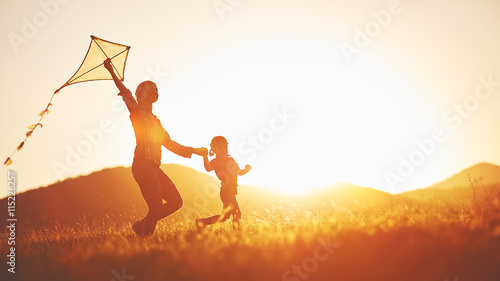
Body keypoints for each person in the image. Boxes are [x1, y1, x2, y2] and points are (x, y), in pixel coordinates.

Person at [103, 58, 205, 237]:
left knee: (176, 202)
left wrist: (195, 151)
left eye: (156, 89)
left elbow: (170, 144)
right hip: (142, 165)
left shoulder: (156, 121)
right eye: (151, 89)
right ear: (140, 95)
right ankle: (145, 236)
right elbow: (125, 93)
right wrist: (111, 71)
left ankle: (141, 226)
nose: (155, 92)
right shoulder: (137, 113)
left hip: (155, 168)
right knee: (156, 206)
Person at [196, 136, 251, 229]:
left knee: (225, 218)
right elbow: (208, 168)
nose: (223, 149)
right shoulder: (216, 161)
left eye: (224, 147)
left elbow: (240, 172)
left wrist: (247, 169)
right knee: (236, 213)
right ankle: (237, 233)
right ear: (214, 150)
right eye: (219, 147)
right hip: (226, 192)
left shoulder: (230, 160)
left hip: (232, 191)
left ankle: (202, 222)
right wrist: (204, 156)